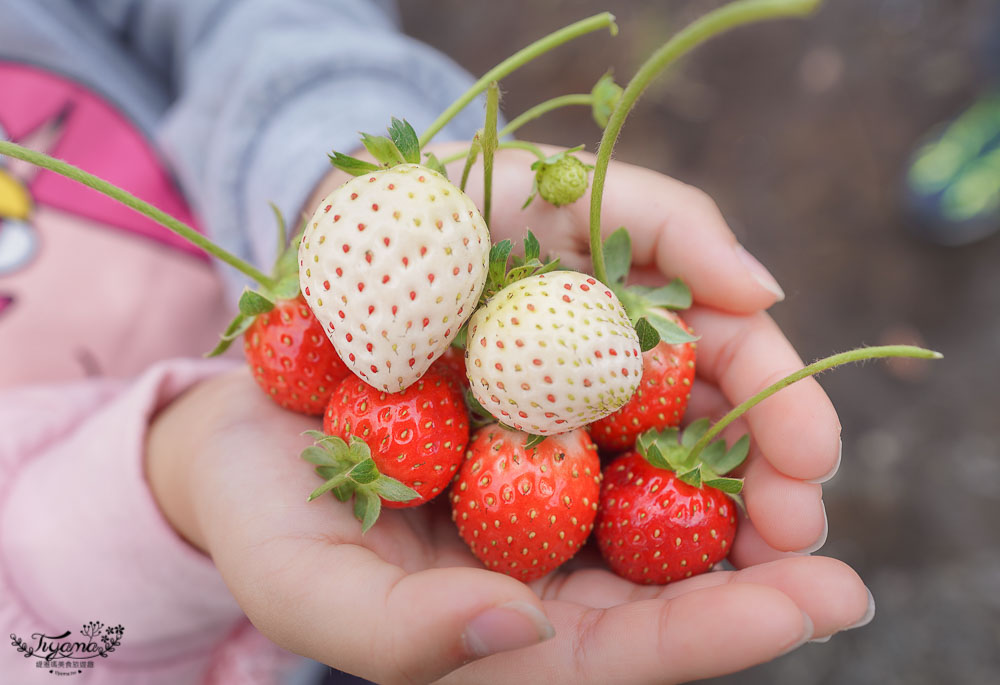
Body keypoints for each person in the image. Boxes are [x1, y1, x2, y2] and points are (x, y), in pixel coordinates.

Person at [0, 1, 870, 683]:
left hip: (316, 403)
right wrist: (171, 477)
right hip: (166, 578)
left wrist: (320, 174)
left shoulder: (384, 273)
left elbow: (246, 13)